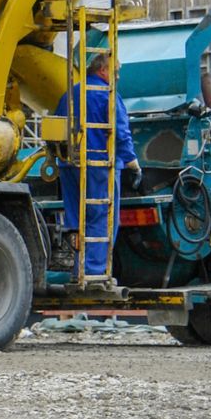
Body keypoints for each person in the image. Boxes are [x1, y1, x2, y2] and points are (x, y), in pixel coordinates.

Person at [57, 52, 140, 278]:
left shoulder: (70, 94)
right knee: (101, 217)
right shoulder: (107, 94)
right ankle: (94, 273)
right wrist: (132, 162)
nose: (118, 77)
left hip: (68, 164)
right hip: (99, 164)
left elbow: (57, 126)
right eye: (116, 71)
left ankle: (78, 271)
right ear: (103, 71)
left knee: (77, 220)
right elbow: (120, 131)